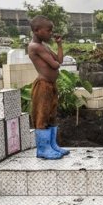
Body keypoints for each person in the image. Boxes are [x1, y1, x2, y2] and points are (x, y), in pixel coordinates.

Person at [27, 15, 69, 160]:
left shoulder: (44, 46)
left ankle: (52, 145)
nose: (51, 33)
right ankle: (43, 149)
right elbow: (55, 64)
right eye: (49, 31)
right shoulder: (35, 46)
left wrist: (59, 45)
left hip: (51, 86)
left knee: (51, 115)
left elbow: (60, 60)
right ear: (37, 30)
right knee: (42, 116)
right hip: (42, 86)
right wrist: (55, 61)